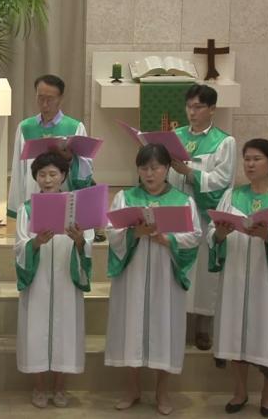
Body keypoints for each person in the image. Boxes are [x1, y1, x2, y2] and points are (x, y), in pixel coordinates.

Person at [104, 144, 202, 415]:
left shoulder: (182, 201)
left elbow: (195, 236)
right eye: (144, 168)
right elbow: (112, 232)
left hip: (165, 272)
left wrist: (167, 239)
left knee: (164, 328)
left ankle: (162, 392)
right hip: (133, 271)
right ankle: (132, 388)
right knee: (131, 326)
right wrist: (134, 233)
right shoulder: (126, 197)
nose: (149, 173)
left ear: (167, 169)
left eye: (155, 168)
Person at [209, 139, 268, 418]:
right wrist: (219, 234)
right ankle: (239, 391)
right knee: (235, 333)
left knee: (267, 335)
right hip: (236, 276)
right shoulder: (232, 196)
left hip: (267, 282)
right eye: (247, 159)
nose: (250, 164)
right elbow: (213, 235)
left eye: (256, 159)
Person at [14, 151, 93, 409]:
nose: (47, 180)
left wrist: (79, 240)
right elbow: (20, 245)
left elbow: (88, 242)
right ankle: (38, 386)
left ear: (64, 175)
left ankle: (60, 386)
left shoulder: (77, 206)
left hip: (66, 276)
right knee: (36, 330)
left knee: (65, 331)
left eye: (53, 174)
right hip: (38, 279)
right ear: (35, 177)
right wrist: (36, 242)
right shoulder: (27, 209)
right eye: (41, 175)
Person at [167, 83, 236, 350]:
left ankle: (202, 327)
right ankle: (175, 324)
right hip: (178, 212)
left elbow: (222, 181)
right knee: (177, 266)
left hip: (204, 214)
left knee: (204, 273)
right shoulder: (175, 136)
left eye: (198, 107)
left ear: (212, 109)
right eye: (189, 107)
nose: (192, 113)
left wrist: (189, 173)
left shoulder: (224, 142)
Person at [7, 74, 95, 220]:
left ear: (60, 99)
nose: (44, 104)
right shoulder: (25, 128)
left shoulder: (75, 127)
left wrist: (70, 159)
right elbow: (18, 170)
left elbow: (86, 169)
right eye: (40, 98)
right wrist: (18, 207)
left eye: (50, 99)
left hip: (64, 195)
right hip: (33, 193)